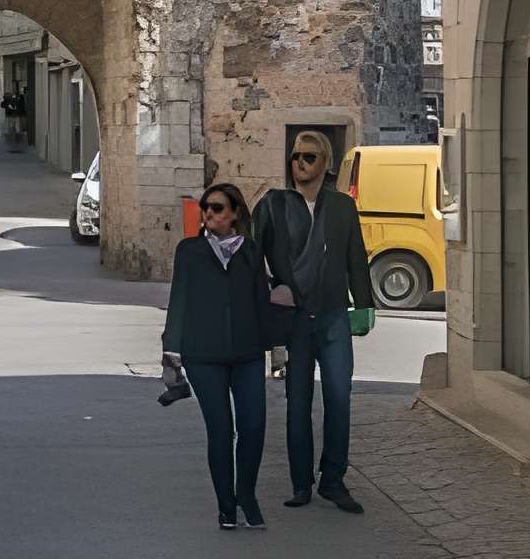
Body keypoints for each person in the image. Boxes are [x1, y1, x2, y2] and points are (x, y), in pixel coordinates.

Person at [254, 131, 373, 515]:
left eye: (308, 157)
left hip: (335, 316)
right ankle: (301, 484)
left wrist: (365, 305)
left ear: (325, 163)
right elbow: (253, 258)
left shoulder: (341, 207)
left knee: (340, 400)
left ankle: (333, 482)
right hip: (295, 321)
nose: (299, 163)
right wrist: (269, 295)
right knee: (297, 404)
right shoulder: (273, 205)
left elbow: (356, 256)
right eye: (295, 157)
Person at [160, 181, 272, 530]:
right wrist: (170, 352)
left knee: (253, 427)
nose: (209, 213)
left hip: (248, 352)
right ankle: (227, 506)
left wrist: (277, 346)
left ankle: (247, 495)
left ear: (235, 213)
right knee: (221, 430)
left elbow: (261, 302)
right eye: (206, 207)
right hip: (203, 355)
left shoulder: (251, 251)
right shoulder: (189, 251)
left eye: (218, 208)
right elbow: (178, 299)